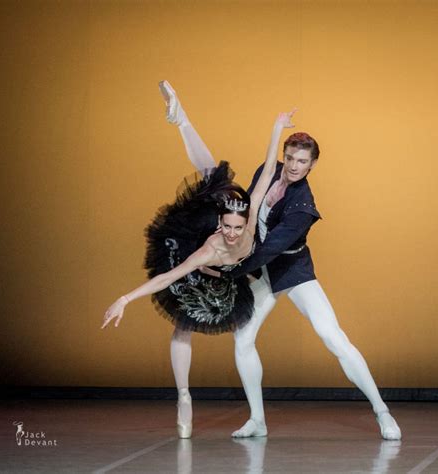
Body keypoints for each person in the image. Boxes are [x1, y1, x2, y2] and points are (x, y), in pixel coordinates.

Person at [163, 82, 402, 441]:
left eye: (301, 161)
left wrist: (225, 270)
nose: (292, 166)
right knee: (243, 341)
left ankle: (382, 412)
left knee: (332, 337)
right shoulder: (268, 171)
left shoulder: (303, 207)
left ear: (313, 165)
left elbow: (269, 249)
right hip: (258, 272)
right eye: (290, 158)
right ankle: (257, 420)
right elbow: (251, 213)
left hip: (290, 269)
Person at [101, 85, 298, 439]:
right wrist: (125, 299)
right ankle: (183, 396)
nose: (235, 234)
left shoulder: (249, 218)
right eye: (228, 228)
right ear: (219, 224)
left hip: (231, 275)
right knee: (183, 323)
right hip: (204, 265)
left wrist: (276, 126)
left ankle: (181, 120)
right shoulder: (208, 247)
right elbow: (168, 277)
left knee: (216, 178)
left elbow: (269, 170)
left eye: (239, 228)